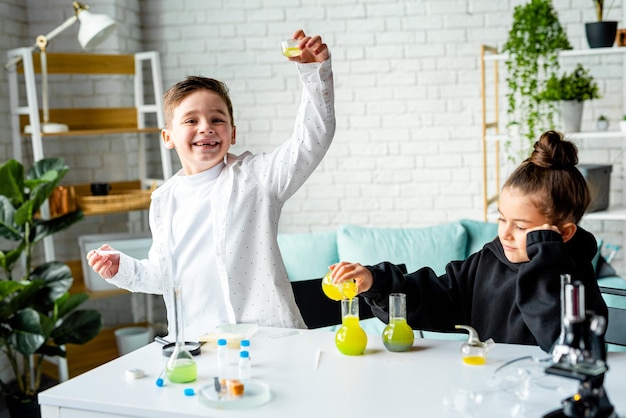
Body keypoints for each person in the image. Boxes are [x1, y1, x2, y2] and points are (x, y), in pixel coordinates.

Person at [86, 29, 335, 339]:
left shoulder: (258, 178)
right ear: (168, 138)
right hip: (196, 344)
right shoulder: (163, 200)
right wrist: (120, 269)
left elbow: (311, 140)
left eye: (217, 119)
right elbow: (164, 275)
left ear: (232, 133)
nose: (206, 128)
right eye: (191, 120)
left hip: (268, 338)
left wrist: (313, 73)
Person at [329, 130, 608, 353]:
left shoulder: (574, 281)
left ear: (564, 234)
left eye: (521, 227)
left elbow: (565, 345)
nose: (505, 234)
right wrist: (375, 281)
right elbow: (432, 296)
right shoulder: (487, 263)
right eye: (501, 219)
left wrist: (545, 257)